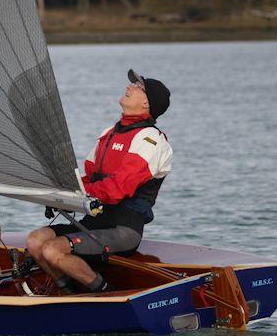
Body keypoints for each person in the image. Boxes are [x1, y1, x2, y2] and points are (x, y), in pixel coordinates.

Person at [26, 69, 172, 293]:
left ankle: (105, 292)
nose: (130, 86)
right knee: (36, 241)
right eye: (132, 84)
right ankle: (67, 292)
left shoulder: (151, 140)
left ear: (147, 104)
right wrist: (58, 192)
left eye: (138, 87)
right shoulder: (109, 133)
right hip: (93, 222)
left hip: (123, 229)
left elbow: (116, 190)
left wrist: (76, 195)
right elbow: (86, 180)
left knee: (52, 251)